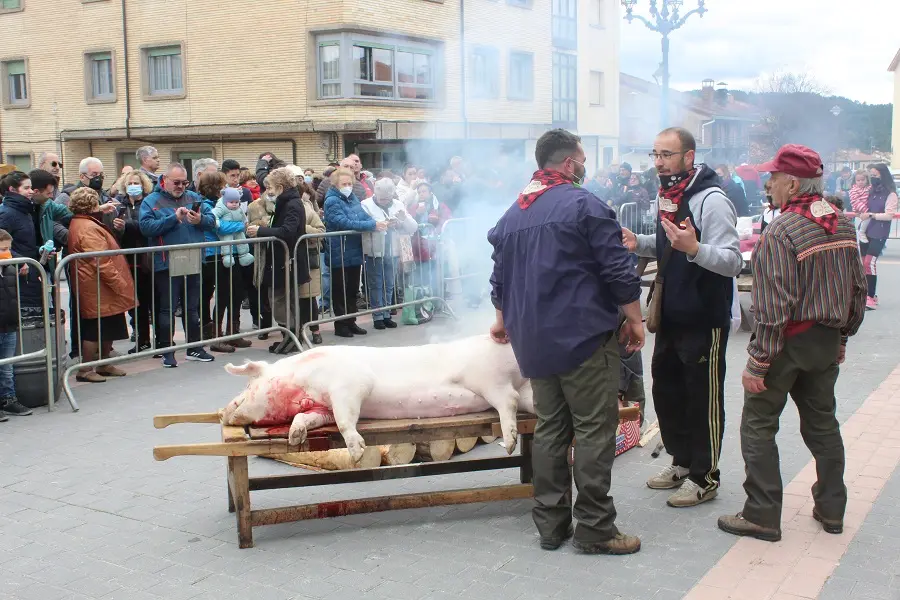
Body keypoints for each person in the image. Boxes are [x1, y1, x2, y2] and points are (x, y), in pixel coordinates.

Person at [488, 129, 644, 555]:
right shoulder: (585, 204)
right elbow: (616, 269)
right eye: (583, 159)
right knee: (594, 428)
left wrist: (502, 320)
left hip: (533, 341)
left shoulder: (513, 213)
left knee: (552, 428)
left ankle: (551, 526)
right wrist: (635, 319)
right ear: (571, 164)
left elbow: (498, 278)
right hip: (582, 336)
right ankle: (595, 528)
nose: (586, 166)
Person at [717, 144, 867, 542]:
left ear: (793, 182)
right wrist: (843, 336)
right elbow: (857, 288)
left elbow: (772, 305)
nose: (767, 184)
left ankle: (762, 514)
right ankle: (832, 508)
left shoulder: (783, 230)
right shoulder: (843, 223)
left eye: (773, 177)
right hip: (824, 340)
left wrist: (759, 361)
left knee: (757, 425)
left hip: (785, 343)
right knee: (823, 424)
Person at [622, 127, 742, 508]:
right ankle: (681, 463)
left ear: (688, 157)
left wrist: (695, 248)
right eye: (655, 154)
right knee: (668, 392)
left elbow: (732, 261)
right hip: (671, 313)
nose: (658, 162)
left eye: (667, 155)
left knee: (702, 398)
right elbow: (668, 246)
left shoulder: (711, 199)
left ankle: (705, 477)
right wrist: (637, 242)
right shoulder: (668, 195)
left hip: (704, 317)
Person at [139, 163, 217, 368]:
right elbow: (146, 228)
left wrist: (200, 219)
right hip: (166, 262)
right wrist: (174, 218)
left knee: (193, 307)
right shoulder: (151, 201)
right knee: (167, 308)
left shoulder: (194, 198)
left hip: (193, 259)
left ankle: (194, 347)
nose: (181, 186)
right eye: (176, 182)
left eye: (184, 182)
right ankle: (167, 350)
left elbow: (212, 219)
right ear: (164, 180)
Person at [67, 187, 135, 383]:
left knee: (108, 325)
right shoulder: (87, 228)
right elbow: (101, 261)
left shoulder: (84, 222)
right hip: (97, 286)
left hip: (99, 286)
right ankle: (86, 369)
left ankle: (103, 363)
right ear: (91, 205)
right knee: (94, 329)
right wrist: (119, 284)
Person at [247, 167, 309, 353]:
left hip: (287, 261)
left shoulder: (291, 204)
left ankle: (290, 336)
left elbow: (287, 232)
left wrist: (261, 231)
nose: (269, 192)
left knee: (280, 300)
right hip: (284, 260)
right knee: (285, 299)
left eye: (271, 187)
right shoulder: (289, 202)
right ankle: (290, 337)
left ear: (281, 187)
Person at [323, 167, 384, 338]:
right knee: (340, 289)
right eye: (344, 183)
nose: (348, 186)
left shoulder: (353, 198)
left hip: (354, 250)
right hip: (339, 250)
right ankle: (341, 324)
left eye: (350, 183)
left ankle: (351, 321)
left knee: (351, 289)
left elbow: (362, 216)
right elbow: (343, 222)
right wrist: (372, 225)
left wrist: (376, 222)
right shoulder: (332, 201)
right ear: (336, 184)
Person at [197, 172, 251, 354]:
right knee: (222, 294)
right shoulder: (206, 205)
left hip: (233, 252)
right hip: (216, 254)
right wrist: (239, 226)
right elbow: (217, 227)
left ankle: (233, 331)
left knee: (236, 292)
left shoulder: (227, 202)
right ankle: (217, 336)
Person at [361, 178, 417, 330]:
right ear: (375, 193)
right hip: (374, 250)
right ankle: (377, 316)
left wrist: (402, 219)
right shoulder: (366, 204)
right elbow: (366, 223)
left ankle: (386, 314)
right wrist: (383, 224)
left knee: (389, 283)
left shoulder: (398, 204)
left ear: (392, 195)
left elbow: (413, 227)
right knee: (376, 284)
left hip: (393, 250)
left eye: (387, 198)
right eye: (381, 198)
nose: (384, 201)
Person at [114, 170, 155, 354]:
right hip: (126, 259)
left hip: (146, 259)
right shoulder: (118, 205)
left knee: (151, 301)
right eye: (129, 183)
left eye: (136, 182)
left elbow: (148, 227)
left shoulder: (148, 203)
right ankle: (142, 339)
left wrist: (127, 225)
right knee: (135, 304)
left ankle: (161, 340)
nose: (133, 186)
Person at [0, 228, 33, 418]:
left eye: (8, 248)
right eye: (3, 248)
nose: (7, 252)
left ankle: (8, 398)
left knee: (7, 367)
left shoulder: (10, 269)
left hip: (9, 324)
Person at [858, 163, 897, 310]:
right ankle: (865, 295)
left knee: (869, 263)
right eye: (871, 175)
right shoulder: (870, 191)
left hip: (879, 232)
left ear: (883, 175)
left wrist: (872, 215)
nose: (873, 177)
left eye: (876, 175)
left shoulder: (891, 194)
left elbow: (889, 215)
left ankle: (871, 296)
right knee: (863, 265)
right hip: (866, 230)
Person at [295, 173, 326, 345]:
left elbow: (321, 230)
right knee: (293, 298)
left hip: (308, 257)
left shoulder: (307, 209)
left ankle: (315, 330)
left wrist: (302, 227)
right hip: (289, 258)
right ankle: (296, 331)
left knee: (309, 297)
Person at [246, 185, 275, 339]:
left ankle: (286, 324)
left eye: (274, 187)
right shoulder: (254, 206)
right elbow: (248, 228)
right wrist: (259, 225)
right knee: (261, 288)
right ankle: (264, 325)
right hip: (261, 253)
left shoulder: (283, 203)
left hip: (279, 251)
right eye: (268, 187)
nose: (271, 191)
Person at [213, 187, 254, 268]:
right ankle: (227, 257)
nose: (234, 204)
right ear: (225, 201)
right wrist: (217, 222)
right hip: (228, 231)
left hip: (238, 230)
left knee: (242, 240)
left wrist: (246, 222)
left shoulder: (239, 208)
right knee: (227, 242)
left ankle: (244, 255)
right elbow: (214, 214)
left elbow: (243, 216)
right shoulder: (221, 208)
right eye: (231, 202)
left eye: (236, 202)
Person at [849, 169, 871, 243]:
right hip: (859, 209)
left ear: (867, 180)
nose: (860, 182)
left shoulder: (868, 188)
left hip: (867, 208)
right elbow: (855, 201)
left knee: (868, 220)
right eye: (858, 180)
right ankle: (861, 232)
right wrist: (866, 210)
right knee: (866, 219)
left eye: (862, 180)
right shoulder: (854, 190)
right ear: (855, 181)